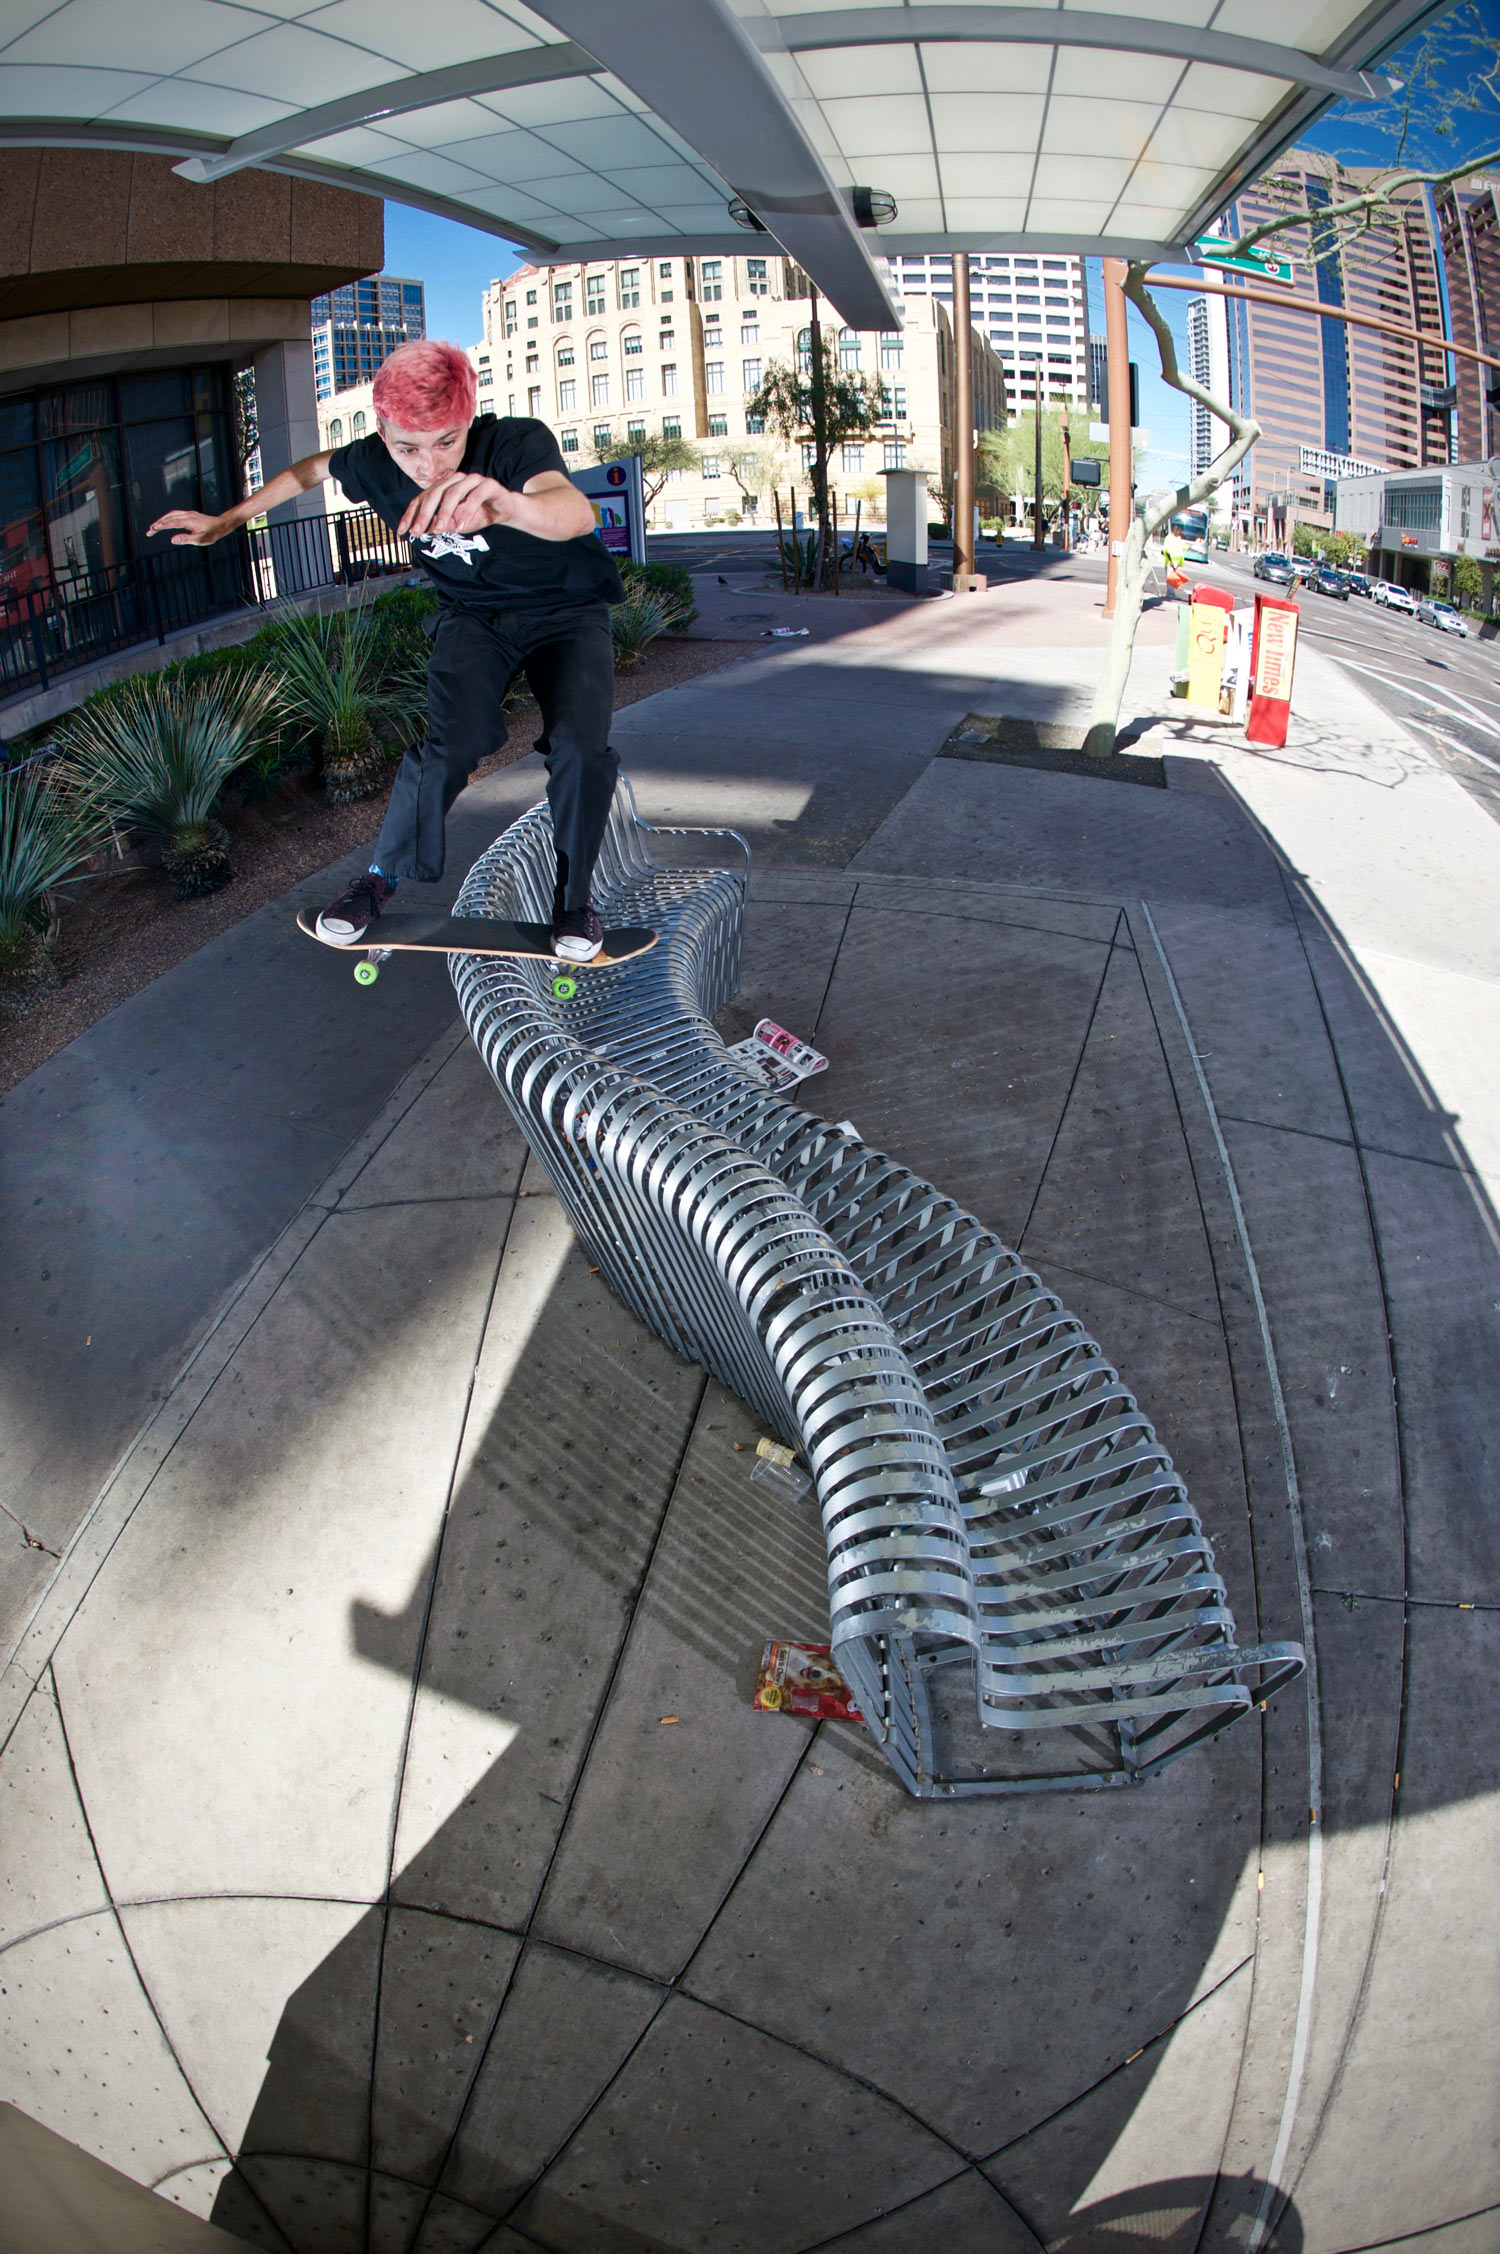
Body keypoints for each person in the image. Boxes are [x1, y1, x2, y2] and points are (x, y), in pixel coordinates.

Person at [148, 339, 623, 961]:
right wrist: (230, 520)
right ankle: (380, 879)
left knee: (579, 746)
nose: (429, 466)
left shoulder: (512, 443)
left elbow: (574, 511)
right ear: (381, 432)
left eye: (447, 443)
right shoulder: (369, 460)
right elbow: (308, 470)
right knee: (451, 744)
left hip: (567, 611)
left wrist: (506, 504)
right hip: (473, 617)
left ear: (469, 421)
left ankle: (574, 899)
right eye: (408, 449)